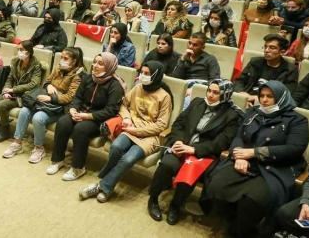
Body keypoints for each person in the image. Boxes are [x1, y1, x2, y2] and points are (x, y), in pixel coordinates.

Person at [201, 81, 309, 237]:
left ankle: (241, 231)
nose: (264, 100)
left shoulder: (297, 120)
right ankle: (229, 221)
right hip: (246, 160)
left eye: (270, 96)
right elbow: (239, 136)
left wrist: (254, 152)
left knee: (252, 201)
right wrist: (238, 155)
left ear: (281, 97)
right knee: (217, 184)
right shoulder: (253, 112)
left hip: (275, 167)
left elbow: (294, 149)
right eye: (262, 96)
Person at [148, 79, 242, 225]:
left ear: (226, 95)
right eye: (209, 90)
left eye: (216, 93)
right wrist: (178, 141)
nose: (210, 95)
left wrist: (194, 149)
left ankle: (175, 205)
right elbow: (179, 124)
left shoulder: (232, 115)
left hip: (202, 153)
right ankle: (153, 199)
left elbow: (222, 142)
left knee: (190, 173)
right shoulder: (197, 102)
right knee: (167, 165)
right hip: (182, 145)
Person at [79, 61, 172, 202]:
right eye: (142, 72)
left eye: (147, 73)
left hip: (150, 136)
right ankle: (106, 186)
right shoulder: (138, 87)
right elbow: (123, 105)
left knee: (128, 158)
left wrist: (137, 130)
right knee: (115, 147)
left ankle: (102, 186)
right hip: (130, 128)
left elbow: (161, 125)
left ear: (156, 75)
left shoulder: (165, 97)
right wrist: (127, 118)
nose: (143, 76)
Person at [48, 52, 125, 180]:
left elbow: (110, 111)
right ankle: (58, 160)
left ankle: (78, 168)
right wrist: (73, 109)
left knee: (80, 129)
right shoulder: (88, 78)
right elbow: (78, 97)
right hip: (81, 112)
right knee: (63, 122)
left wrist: (86, 116)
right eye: (94, 62)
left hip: (99, 119)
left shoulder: (115, 86)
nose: (95, 66)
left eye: (100, 64)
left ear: (109, 67)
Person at [3, 47, 85, 163]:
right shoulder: (58, 68)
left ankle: (39, 148)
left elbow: (71, 97)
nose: (61, 60)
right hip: (45, 102)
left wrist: (52, 98)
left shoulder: (79, 76)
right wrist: (49, 86)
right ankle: (17, 143)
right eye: (61, 57)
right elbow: (47, 81)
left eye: (65, 58)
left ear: (74, 61)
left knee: (38, 118)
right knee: (24, 111)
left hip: (62, 107)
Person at [0, 40, 44, 143]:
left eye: (21, 50)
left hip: (25, 95)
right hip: (12, 92)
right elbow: (10, 79)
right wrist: (6, 91)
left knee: (1, 105)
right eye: (18, 49)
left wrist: (13, 90)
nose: (19, 52)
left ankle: (5, 130)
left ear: (28, 51)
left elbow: (33, 84)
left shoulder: (36, 65)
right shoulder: (16, 62)